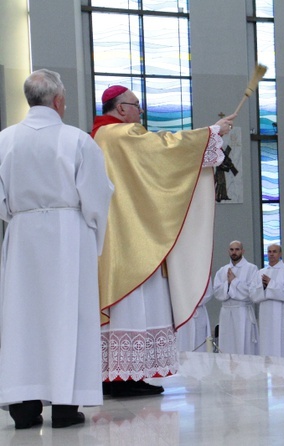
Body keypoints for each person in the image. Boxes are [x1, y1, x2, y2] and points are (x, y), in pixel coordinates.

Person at [92, 85, 235, 397]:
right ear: (119, 109)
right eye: (135, 105)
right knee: (135, 304)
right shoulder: (121, 135)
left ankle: (123, 372)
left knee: (127, 308)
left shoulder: (100, 138)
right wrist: (212, 132)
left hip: (118, 237)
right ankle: (125, 377)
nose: (139, 111)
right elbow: (164, 150)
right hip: (132, 240)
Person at [0, 69, 113, 429]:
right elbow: (97, 195)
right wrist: (93, 236)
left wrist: (20, 216)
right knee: (71, 317)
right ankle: (65, 407)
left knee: (23, 318)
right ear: (59, 100)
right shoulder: (77, 140)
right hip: (68, 233)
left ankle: (24, 407)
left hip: (22, 234)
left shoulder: (5, 140)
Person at [213, 241, 262, 355]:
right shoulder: (222, 270)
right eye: (231, 249)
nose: (234, 252)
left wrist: (234, 281)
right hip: (226, 312)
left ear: (242, 251)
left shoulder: (251, 269)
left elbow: (252, 292)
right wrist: (228, 284)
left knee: (243, 343)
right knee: (227, 343)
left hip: (242, 311)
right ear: (228, 251)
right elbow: (216, 292)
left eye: (237, 249)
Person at [256, 244, 284, 358]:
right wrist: (264, 288)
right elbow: (253, 294)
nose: (271, 254)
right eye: (269, 252)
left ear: (280, 254)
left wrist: (270, 284)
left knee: (281, 344)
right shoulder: (260, 272)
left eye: (274, 251)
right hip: (266, 313)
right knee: (267, 342)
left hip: (281, 312)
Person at [177, 280, 213, 353]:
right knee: (182, 344)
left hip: (198, 313)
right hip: (182, 312)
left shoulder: (203, 269)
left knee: (199, 346)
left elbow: (208, 292)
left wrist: (192, 301)